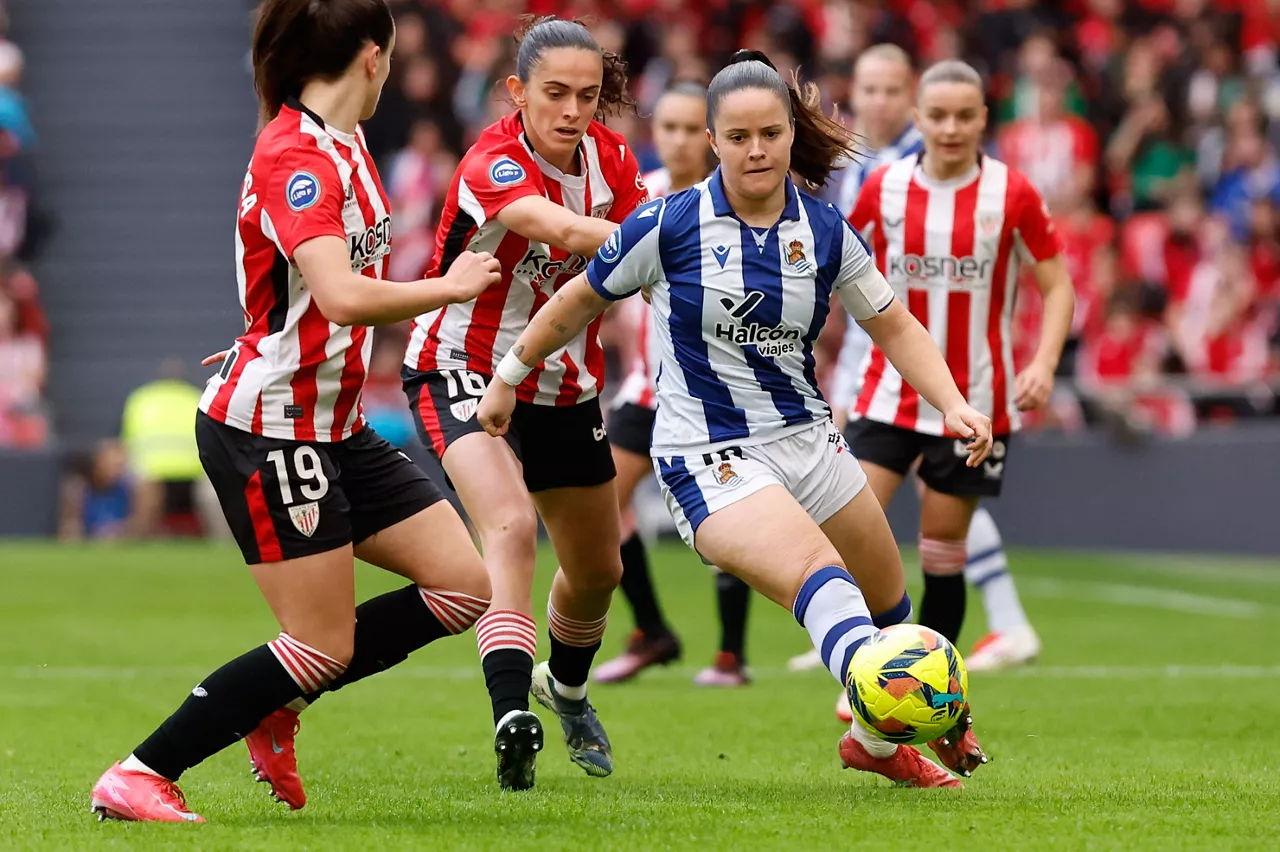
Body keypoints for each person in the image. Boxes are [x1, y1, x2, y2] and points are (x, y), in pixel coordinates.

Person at [478, 50, 992, 787]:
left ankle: (877, 743)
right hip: (709, 455)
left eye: (771, 134)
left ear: (790, 135)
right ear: (714, 141)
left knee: (893, 608)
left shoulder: (823, 230)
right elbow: (575, 302)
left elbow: (895, 326)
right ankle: (898, 707)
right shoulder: (667, 224)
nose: (758, 151)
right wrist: (508, 376)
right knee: (824, 579)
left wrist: (955, 404)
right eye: (740, 136)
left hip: (809, 440)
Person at [90, 0, 501, 822]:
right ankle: (139, 773)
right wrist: (449, 287)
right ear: (375, 57)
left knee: (466, 587)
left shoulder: (346, 144)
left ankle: (283, 699)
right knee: (321, 641)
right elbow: (343, 297)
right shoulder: (296, 154)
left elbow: (294, 289)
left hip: (333, 424)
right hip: (270, 431)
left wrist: (265, 331)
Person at [399, 16, 647, 790]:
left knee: (599, 569)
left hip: (564, 383)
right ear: (516, 92)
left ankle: (565, 690)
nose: (573, 111)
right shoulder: (492, 162)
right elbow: (563, 230)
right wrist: (664, 238)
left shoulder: (614, 159)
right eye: (554, 94)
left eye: (588, 95)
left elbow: (628, 255)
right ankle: (512, 713)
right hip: (463, 367)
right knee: (507, 524)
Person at [799, 45, 1045, 686]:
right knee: (846, 530)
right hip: (887, 390)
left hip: (976, 397)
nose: (952, 128)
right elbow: (836, 266)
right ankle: (868, 669)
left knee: (942, 553)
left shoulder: (1010, 191)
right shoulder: (885, 184)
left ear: (984, 117)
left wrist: (1043, 360)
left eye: (965, 115)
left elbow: (1059, 280)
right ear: (921, 115)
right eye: (939, 115)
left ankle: (924, 685)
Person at [593, 81, 755, 689]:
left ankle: (731, 655)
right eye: (671, 128)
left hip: (719, 390)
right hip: (645, 387)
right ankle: (653, 631)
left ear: (711, 138)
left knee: (731, 517)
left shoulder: (736, 203)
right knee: (602, 509)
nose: (682, 139)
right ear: (655, 134)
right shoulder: (640, 199)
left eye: (694, 129)